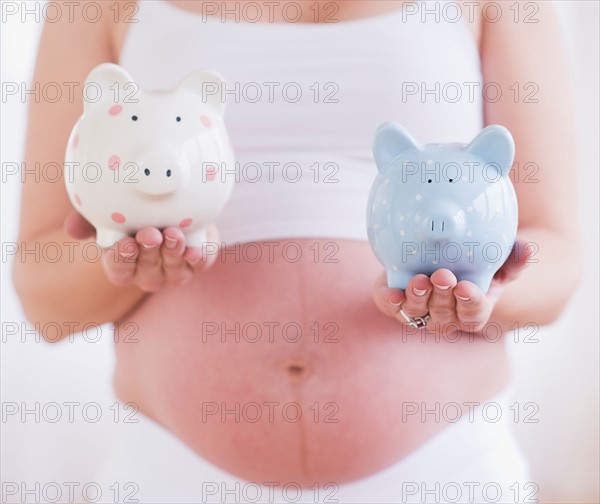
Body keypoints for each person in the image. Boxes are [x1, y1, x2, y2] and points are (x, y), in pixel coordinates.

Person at [13, 0, 581, 502]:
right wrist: (125, 265)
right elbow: (42, 296)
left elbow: (558, 258)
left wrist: (485, 291)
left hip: (443, 470)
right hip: (174, 475)